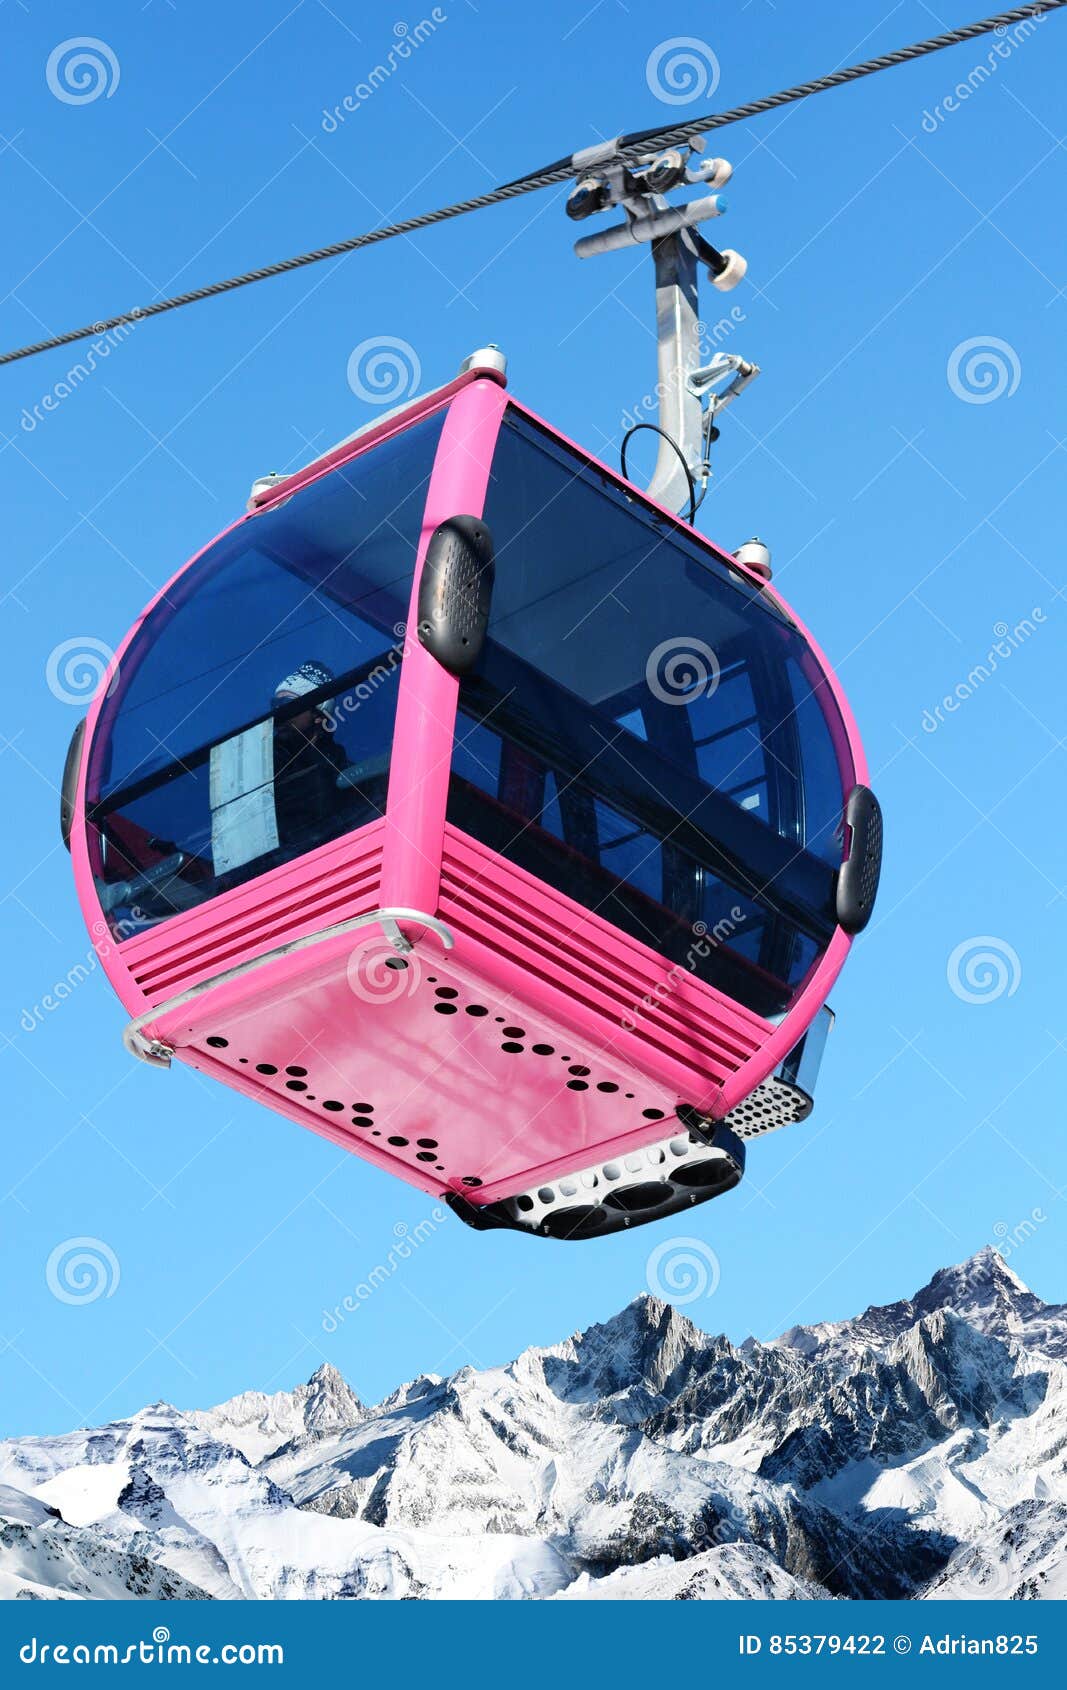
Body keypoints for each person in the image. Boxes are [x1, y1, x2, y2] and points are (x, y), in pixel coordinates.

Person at [270, 660, 347, 848]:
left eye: (286, 704)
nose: (278, 712)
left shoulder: (345, 775)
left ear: (318, 715)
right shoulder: (264, 774)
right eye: (275, 705)